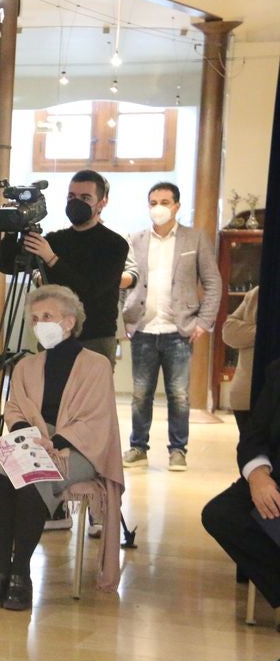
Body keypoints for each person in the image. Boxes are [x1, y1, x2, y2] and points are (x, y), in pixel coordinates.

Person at [0, 285, 124, 611]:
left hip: (77, 448)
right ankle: (0, 570)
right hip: (31, 440)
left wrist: (54, 442)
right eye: (34, 318)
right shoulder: (26, 366)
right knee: (3, 474)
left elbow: (96, 419)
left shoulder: (97, 365)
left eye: (47, 316)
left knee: (34, 479)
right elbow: (15, 408)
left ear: (69, 322)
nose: (39, 323)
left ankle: (20, 573)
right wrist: (27, 435)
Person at [121, 182, 221, 472]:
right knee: (140, 394)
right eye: (153, 202)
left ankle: (178, 450)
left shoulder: (195, 239)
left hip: (180, 330)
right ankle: (138, 448)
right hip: (143, 328)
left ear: (176, 205)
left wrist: (204, 322)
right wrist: (125, 317)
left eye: (165, 202)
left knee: (179, 395)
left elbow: (213, 282)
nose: (159, 208)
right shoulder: (135, 239)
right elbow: (122, 282)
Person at [0, 169, 136, 367]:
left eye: (85, 198)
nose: (76, 203)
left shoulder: (115, 245)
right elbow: (9, 265)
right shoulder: (56, 240)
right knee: (50, 386)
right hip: (53, 334)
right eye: (71, 197)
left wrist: (52, 259)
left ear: (102, 202)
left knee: (91, 387)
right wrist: (11, 229)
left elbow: (89, 291)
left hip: (94, 338)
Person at [202, 358, 280, 611]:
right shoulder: (277, 371)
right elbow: (253, 435)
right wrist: (258, 475)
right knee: (222, 514)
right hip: (275, 481)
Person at [222, 286, 260, 437]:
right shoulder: (257, 293)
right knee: (250, 448)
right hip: (246, 395)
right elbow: (229, 331)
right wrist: (265, 332)